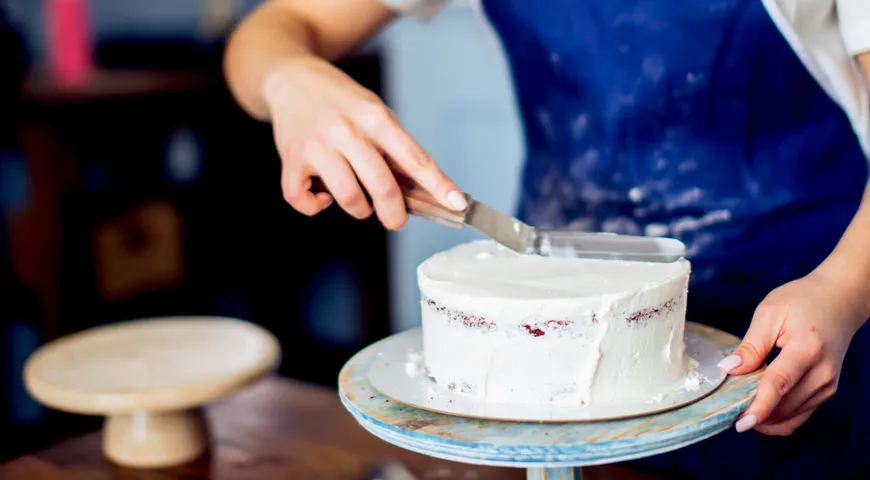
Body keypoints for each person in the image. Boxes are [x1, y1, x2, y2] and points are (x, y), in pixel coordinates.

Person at [223, 0, 870, 477]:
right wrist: (291, 81)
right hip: (548, 355)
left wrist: (841, 290)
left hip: (802, 330)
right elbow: (267, 33)